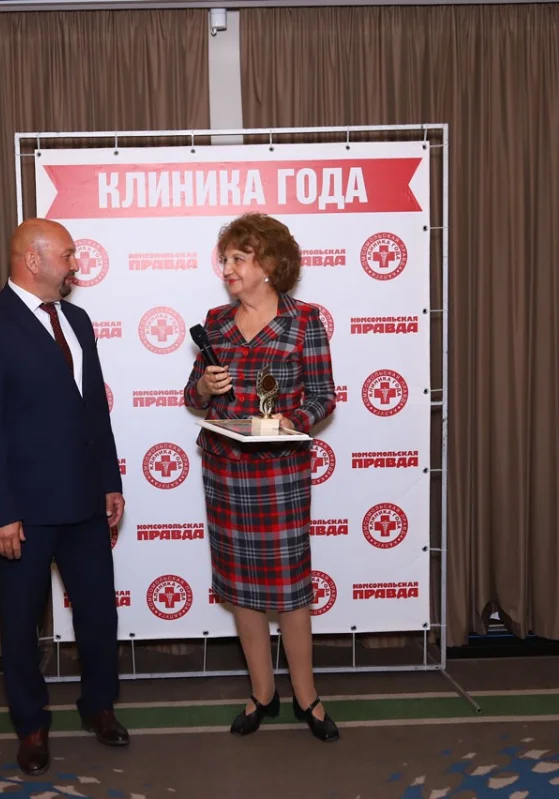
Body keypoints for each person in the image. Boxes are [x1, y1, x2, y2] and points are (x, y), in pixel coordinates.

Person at [0, 218, 129, 774]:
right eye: (68, 254)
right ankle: (31, 724)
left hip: (84, 501)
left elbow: (93, 410)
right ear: (33, 260)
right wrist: (1, 512)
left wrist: (109, 481)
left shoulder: (76, 320)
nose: (76, 264)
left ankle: (99, 706)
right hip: (22, 512)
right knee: (20, 624)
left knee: (99, 614)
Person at [183, 212, 339, 742]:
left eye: (238, 259)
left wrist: (290, 421)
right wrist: (204, 387)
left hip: (279, 474)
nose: (227, 268)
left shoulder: (304, 321)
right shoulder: (215, 323)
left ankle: (307, 697)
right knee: (241, 590)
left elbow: (324, 396)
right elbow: (192, 398)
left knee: (291, 591)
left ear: (269, 264)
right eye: (225, 259)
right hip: (226, 472)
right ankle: (262, 693)